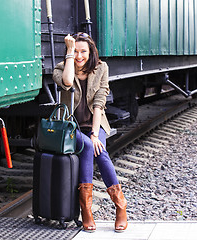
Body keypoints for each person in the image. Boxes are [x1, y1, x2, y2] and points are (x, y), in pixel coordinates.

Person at [53, 32, 127, 233]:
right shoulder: (61, 68)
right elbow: (67, 82)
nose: (79, 56)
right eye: (75, 51)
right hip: (70, 127)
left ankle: (120, 206)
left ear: (91, 51)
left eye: (83, 51)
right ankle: (86, 210)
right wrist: (69, 52)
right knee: (87, 147)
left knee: (98, 150)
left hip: (95, 124)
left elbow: (99, 103)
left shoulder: (101, 68)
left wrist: (95, 134)